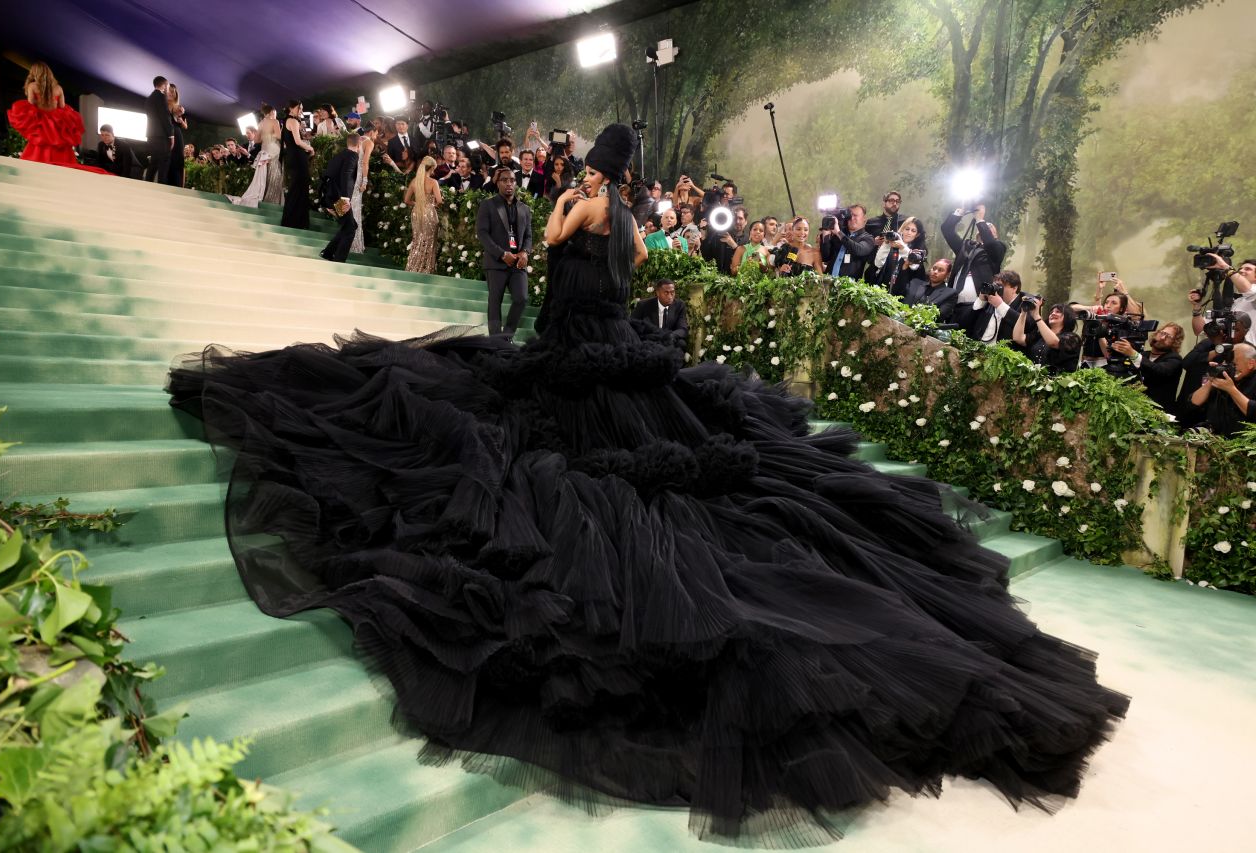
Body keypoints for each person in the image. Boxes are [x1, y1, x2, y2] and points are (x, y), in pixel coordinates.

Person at [166, 121, 1127, 847]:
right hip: (614, 350)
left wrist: (568, 195)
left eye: (593, 160)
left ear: (602, 164)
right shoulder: (628, 218)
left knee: (540, 464)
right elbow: (605, 270)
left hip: (577, 354)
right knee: (659, 464)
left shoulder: (585, 204)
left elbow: (546, 242)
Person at [7, 62, 109, 175]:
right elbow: (62, 106)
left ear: (35, 73)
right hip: (56, 122)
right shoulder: (58, 88)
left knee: (40, 144)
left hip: (42, 121)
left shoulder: (33, 86)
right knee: (59, 146)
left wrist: (41, 103)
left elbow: (31, 103)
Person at [475, 167, 533, 335]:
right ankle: (495, 339)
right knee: (495, 301)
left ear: (516, 183)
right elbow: (482, 234)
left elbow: (528, 236)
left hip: (517, 262)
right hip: (496, 262)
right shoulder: (488, 205)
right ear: (497, 182)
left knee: (521, 298)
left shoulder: (524, 209)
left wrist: (525, 253)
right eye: (505, 180)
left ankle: (507, 335)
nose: (509, 183)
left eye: (512, 180)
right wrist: (501, 253)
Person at [942, 205, 1006, 312]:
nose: (985, 227)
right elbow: (946, 229)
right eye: (984, 226)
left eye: (989, 227)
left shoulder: (998, 248)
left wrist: (980, 219)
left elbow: (990, 243)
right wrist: (960, 212)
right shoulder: (965, 246)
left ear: (995, 236)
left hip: (979, 305)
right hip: (953, 303)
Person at [1188, 338, 1256, 437]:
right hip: (1214, 439)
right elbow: (1193, 404)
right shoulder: (1226, 378)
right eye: (1227, 363)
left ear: (1251, 364)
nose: (1230, 367)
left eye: (1234, 364)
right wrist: (1213, 378)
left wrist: (1231, 389)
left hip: (1242, 444)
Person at [229, 104, 283, 208]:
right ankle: (273, 202)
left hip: (264, 150)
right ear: (272, 112)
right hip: (274, 149)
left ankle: (265, 200)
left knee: (265, 175)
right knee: (275, 175)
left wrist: (265, 135)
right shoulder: (274, 121)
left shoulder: (261, 123)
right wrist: (272, 134)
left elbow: (257, 140)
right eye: (275, 112)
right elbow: (279, 136)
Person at [318, 134, 361, 263]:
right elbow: (346, 176)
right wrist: (345, 198)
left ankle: (328, 252)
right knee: (349, 229)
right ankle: (339, 260)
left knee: (351, 225)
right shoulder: (352, 156)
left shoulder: (339, 155)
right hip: (339, 199)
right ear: (359, 145)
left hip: (331, 196)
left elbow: (326, 176)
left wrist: (326, 202)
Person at [1012, 300, 1081, 374]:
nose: (1053, 313)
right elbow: (1018, 338)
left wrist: (1036, 316)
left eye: (1058, 311)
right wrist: (1023, 313)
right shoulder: (1040, 336)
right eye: (1051, 312)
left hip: (1057, 383)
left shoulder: (1073, 338)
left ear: (1068, 316)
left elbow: (1054, 342)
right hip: (1034, 380)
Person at [403, 155, 442, 274]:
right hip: (429, 212)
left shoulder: (414, 182)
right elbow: (439, 201)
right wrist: (432, 204)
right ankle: (426, 269)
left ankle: (413, 267)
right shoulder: (433, 182)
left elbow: (406, 200)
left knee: (417, 240)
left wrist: (417, 202)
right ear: (431, 168)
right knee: (429, 242)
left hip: (417, 211)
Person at [870, 216, 927, 297]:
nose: (909, 232)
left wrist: (902, 247)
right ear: (902, 229)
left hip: (902, 294)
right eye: (907, 229)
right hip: (882, 289)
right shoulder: (892, 244)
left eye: (913, 231)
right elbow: (878, 263)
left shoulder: (918, 250)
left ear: (917, 235)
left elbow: (914, 266)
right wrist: (886, 244)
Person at [280, 100, 314, 229]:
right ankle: (296, 222)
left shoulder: (286, 121)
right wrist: (310, 148)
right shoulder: (293, 121)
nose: (301, 110)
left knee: (296, 188)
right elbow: (298, 141)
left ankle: (293, 221)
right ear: (291, 108)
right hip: (297, 157)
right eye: (299, 108)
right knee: (299, 188)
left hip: (292, 157)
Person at [630, 278, 688, 348]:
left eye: (672, 292)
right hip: (649, 339)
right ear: (658, 293)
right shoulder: (643, 305)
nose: (670, 296)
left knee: (681, 344)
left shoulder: (679, 305)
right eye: (666, 293)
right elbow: (631, 325)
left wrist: (672, 335)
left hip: (669, 339)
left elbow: (683, 329)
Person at [818, 205, 873, 278]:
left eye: (855, 215)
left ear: (864, 219)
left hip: (849, 286)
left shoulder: (868, 238)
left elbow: (858, 250)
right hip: (828, 281)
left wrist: (838, 233)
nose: (851, 218)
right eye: (849, 215)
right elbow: (825, 257)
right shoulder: (837, 234)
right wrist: (826, 234)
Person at [349, 122, 376, 254]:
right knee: (355, 207)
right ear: (372, 132)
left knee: (350, 205)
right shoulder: (369, 142)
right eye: (376, 133)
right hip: (359, 175)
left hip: (349, 174)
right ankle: (354, 244)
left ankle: (348, 239)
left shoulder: (356, 138)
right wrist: (365, 181)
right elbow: (365, 163)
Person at [904, 257, 958, 323]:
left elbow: (939, 316)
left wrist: (912, 316)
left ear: (948, 274)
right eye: (934, 268)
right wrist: (905, 265)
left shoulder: (950, 293)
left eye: (940, 270)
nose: (935, 272)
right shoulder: (915, 283)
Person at [144, 75, 174, 183]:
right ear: (164, 85)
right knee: (163, 165)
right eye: (168, 86)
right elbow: (165, 117)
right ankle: (162, 190)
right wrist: (171, 135)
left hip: (151, 136)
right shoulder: (161, 97)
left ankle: (147, 186)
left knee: (153, 164)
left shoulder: (149, 98)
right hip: (161, 137)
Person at [166, 83, 188, 188]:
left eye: (173, 91)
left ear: (175, 93)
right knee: (167, 160)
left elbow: (185, 126)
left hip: (177, 136)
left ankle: (178, 185)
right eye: (169, 90)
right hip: (166, 135)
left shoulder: (178, 107)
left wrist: (180, 118)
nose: (171, 93)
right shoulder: (162, 104)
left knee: (178, 159)